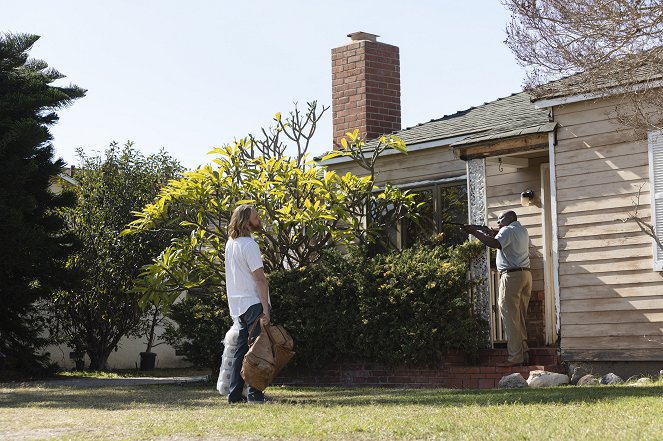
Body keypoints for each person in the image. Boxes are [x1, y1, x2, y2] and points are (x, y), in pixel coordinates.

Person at [462, 210, 532, 367]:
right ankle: (524, 353)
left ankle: (515, 357)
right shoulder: (522, 230)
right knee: (519, 316)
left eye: (501, 218)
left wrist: (475, 232)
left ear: (510, 218)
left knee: (509, 316)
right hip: (525, 275)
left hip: (511, 276)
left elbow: (495, 244)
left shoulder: (506, 231)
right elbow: (501, 237)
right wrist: (490, 231)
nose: (498, 221)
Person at [225, 204, 271, 403]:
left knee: (241, 351)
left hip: (238, 305)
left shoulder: (231, 244)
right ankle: (255, 394)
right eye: (255, 216)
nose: (259, 218)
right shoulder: (249, 245)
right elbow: (260, 279)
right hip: (253, 303)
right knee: (258, 351)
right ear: (246, 221)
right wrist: (266, 309)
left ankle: (234, 395)